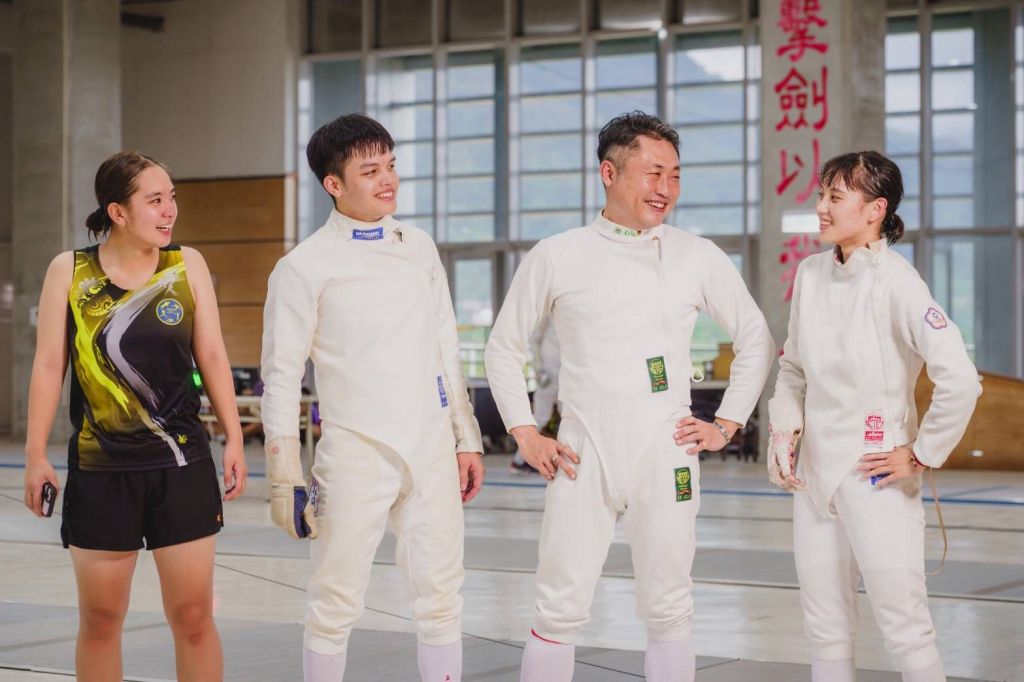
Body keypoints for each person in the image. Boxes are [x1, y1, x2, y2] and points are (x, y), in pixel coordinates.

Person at [484, 111, 775, 682]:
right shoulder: (558, 254)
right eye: (652, 173)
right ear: (609, 173)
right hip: (582, 448)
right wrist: (524, 433)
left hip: (666, 448)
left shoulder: (697, 255)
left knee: (669, 604)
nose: (665, 188)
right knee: (559, 603)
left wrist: (727, 424)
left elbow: (756, 337)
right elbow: (502, 346)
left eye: (675, 175)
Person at [260, 113, 485, 682]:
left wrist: (466, 439)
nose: (387, 179)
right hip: (355, 451)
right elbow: (281, 376)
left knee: (441, 597)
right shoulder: (303, 266)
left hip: (431, 448)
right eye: (370, 170)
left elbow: (445, 348)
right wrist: (285, 475)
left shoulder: (419, 247)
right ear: (333, 184)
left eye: (390, 165)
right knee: (334, 602)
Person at [23, 151, 247, 681]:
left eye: (172, 198)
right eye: (155, 200)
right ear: (118, 212)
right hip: (102, 471)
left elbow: (213, 356)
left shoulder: (186, 265)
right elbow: (50, 364)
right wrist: (34, 455)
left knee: (193, 617)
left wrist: (234, 437)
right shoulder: (70, 271)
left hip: (181, 465)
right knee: (101, 620)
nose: (170, 210)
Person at [767, 151, 981, 682]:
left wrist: (921, 453)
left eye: (835, 197)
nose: (821, 207)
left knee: (904, 626)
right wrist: (784, 427)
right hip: (814, 476)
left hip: (875, 473)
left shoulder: (897, 282)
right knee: (825, 625)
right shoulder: (810, 274)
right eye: (822, 195)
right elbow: (793, 366)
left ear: (874, 209)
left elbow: (960, 378)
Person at [509, 315, 561, 475]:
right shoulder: (548, 313)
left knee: (569, 416)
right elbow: (534, 340)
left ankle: (565, 459)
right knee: (540, 417)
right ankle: (519, 460)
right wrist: (539, 369)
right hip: (549, 373)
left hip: (567, 373)